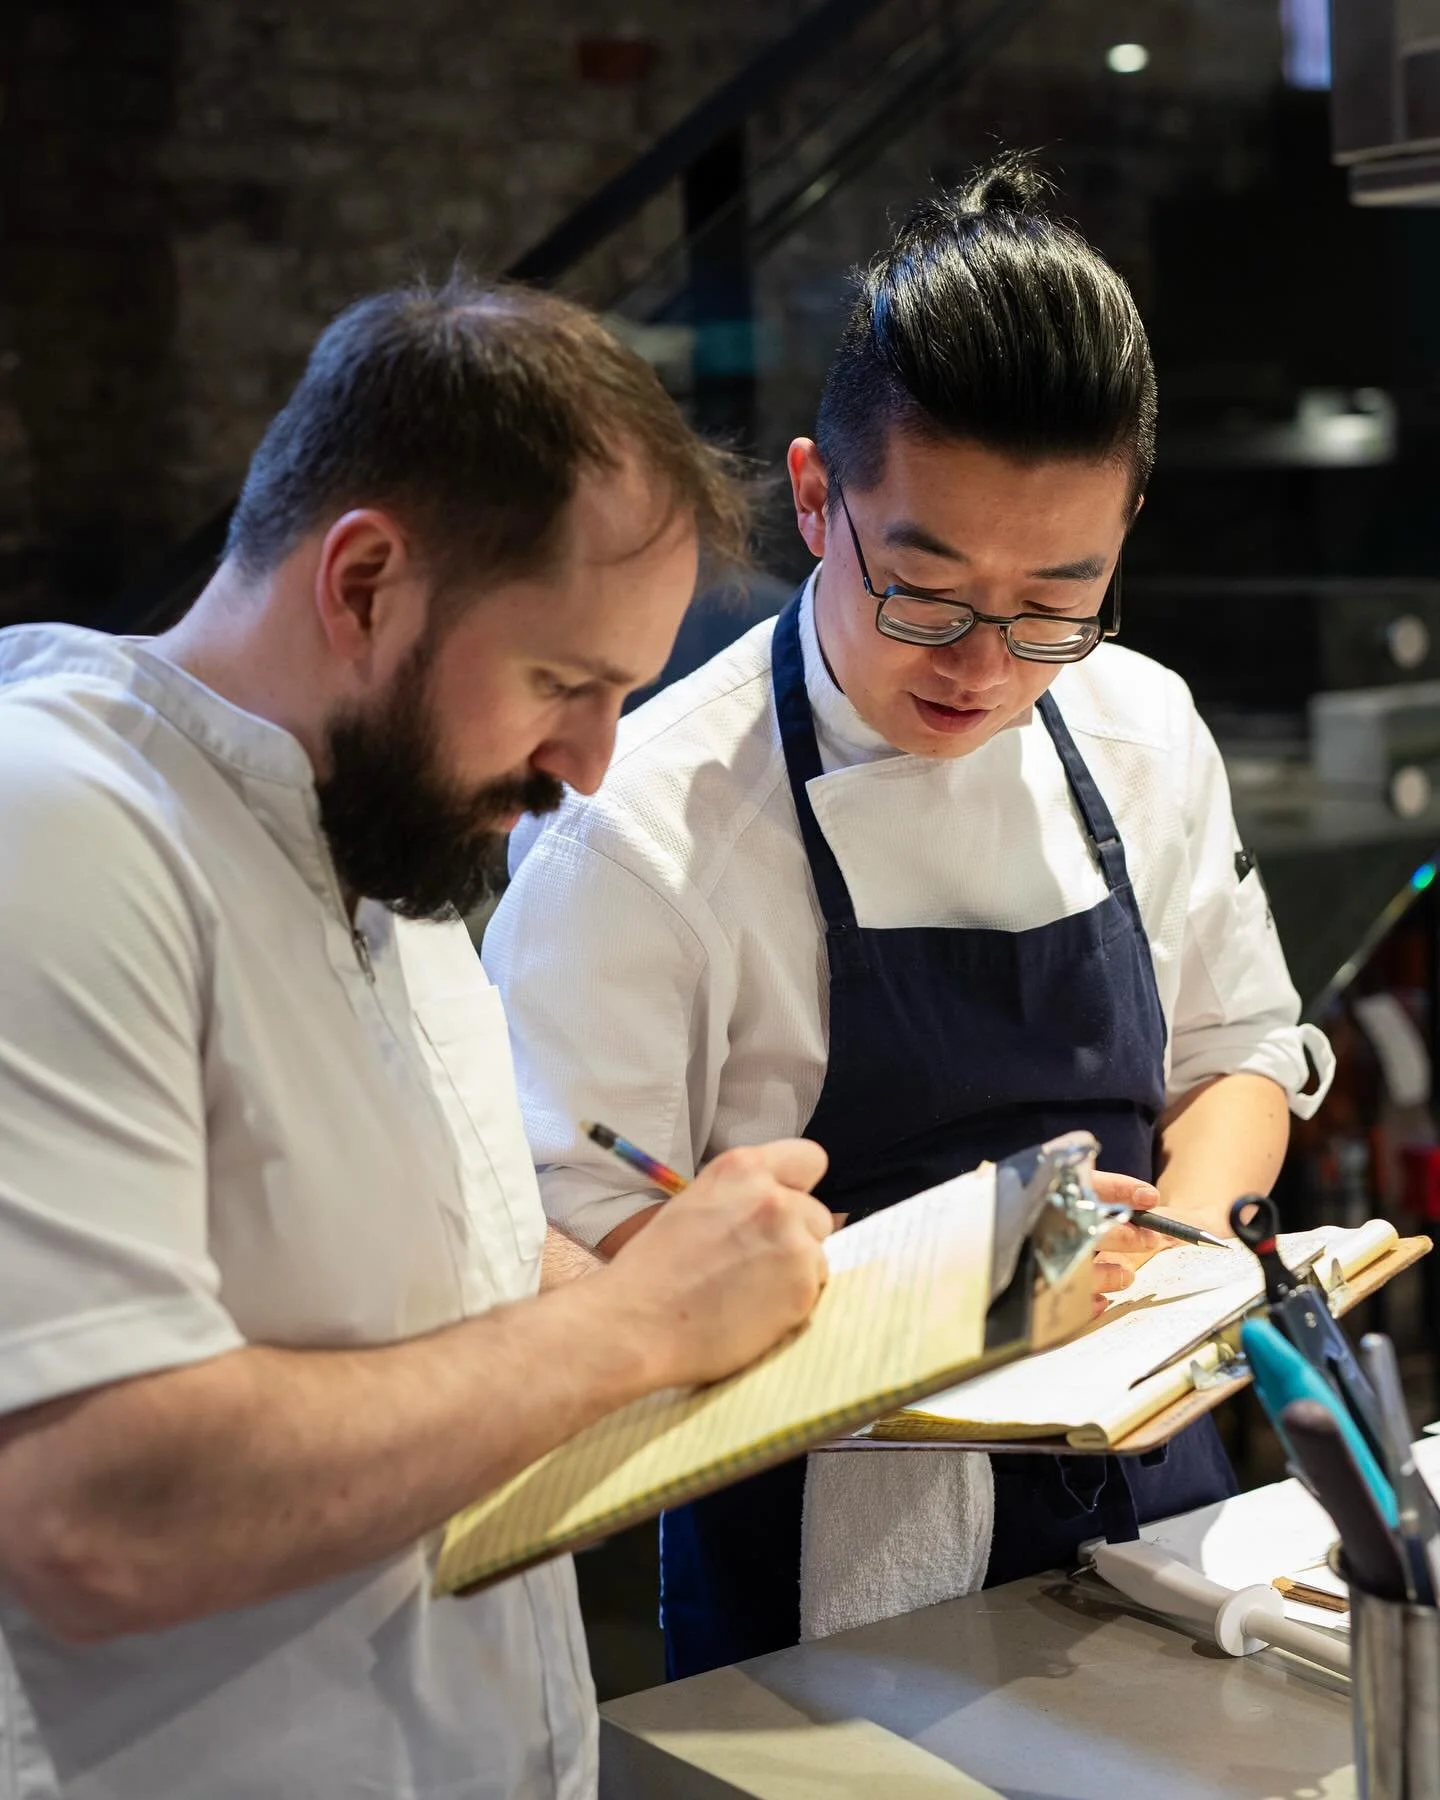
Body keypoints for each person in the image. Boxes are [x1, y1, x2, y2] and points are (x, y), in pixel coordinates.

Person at [487, 154, 1336, 1680]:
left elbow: (1236, 1057)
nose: (986, 664)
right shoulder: (643, 829)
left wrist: (1192, 1252)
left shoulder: (1142, 729)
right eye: (927, 592)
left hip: (1165, 1490)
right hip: (831, 1550)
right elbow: (542, 1214)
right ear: (818, 500)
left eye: (1055, 604)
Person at [0, 277, 837, 1799]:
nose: (589, 767)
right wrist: (634, 1327)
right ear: (368, 581)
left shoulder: (392, 852)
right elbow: (92, 1513)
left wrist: (748, 1294)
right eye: (563, 684)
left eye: (623, 695)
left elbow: (429, 1286)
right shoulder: (55, 825)